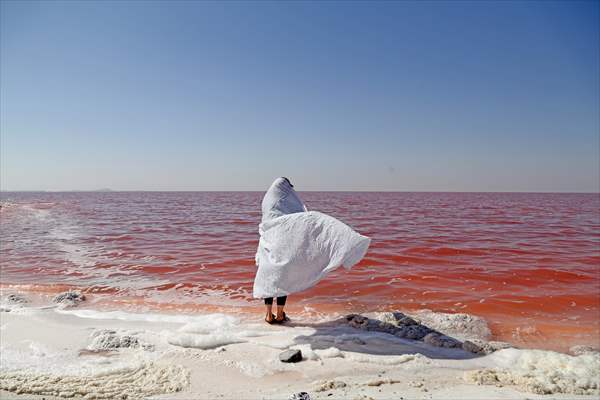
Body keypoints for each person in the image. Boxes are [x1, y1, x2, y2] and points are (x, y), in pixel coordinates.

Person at [253, 177, 370, 325]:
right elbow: (294, 220)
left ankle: (269, 315)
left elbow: (269, 223)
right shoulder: (285, 200)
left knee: (270, 280)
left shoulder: (268, 202)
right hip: (282, 247)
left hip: (268, 245)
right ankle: (280, 314)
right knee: (281, 279)